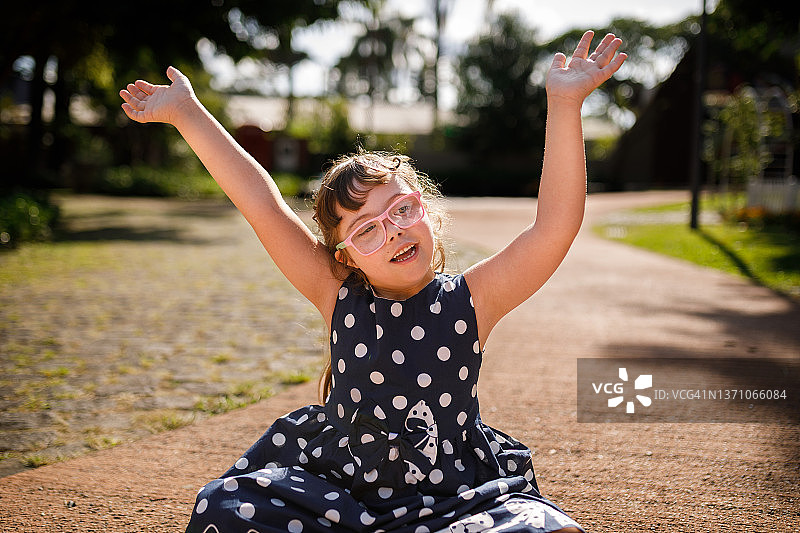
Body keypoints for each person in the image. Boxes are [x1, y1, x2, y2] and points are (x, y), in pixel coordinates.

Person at [120, 30, 626, 533]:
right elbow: (261, 202)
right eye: (366, 230)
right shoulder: (337, 292)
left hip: (452, 500)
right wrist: (187, 112)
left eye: (402, 209)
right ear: (346, 256)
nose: (394, 232)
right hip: (339, 496)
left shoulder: (473, 299)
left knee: (548, 529)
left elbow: (554, 225)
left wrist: (564, 104)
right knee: (224, 507)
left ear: (425, 210)